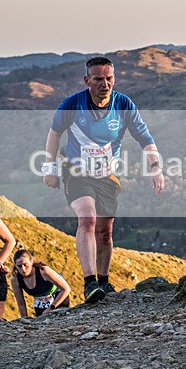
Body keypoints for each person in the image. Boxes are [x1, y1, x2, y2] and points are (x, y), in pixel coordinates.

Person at [41, 56, 165, 304]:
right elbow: (54, 133)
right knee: (87, 217)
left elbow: (145, 137)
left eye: (109, 78)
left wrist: (155, 166)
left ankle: (104, 281)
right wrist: (49, 167)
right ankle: (89, 284)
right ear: (87, 80)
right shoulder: (72, 104)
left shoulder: (123, 105)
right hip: (76, 172)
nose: (105, 84)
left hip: (107, 175)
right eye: (98, 79)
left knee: (105, 233)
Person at [10, 249, 71, 318]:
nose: (23, 269)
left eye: (25, 265)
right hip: (40, 304)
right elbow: (21, 303)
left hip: (58, 300)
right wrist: (25, 319)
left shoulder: (44, 271)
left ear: (31, 261)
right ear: (15, 265)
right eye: (19, 266)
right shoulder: (15, 279)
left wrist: (51, 308)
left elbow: (66, 289)